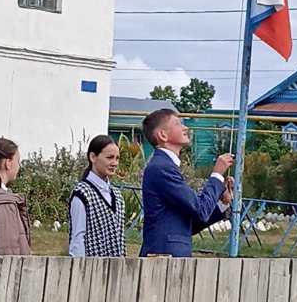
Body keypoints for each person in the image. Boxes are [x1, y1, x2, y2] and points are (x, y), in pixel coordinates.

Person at [140, 108, 234, 258]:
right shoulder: (162, 168)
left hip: (170, 258)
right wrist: (217, 175)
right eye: (178, 124)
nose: (186, 128)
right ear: (163, 135)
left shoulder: (166, 166)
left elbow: (188, 225)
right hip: (162, 260)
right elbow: (200, 210)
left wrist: (222, 203)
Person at [69, 135, 125, 257]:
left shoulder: (117, 195)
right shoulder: (82, 193)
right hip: (92, 269)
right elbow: (78, 238)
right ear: (93, 157)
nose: (114, 163)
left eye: (117, 158)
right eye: (110, 158)